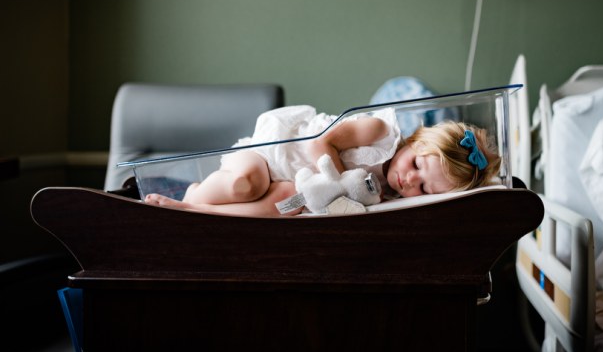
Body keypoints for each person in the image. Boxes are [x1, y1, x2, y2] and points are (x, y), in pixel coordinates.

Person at [144, 105, 501, 217]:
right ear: (417, 141)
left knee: (284, 205)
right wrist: (342, 184)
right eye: (417, 167)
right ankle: (194, 194)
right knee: (246, 182)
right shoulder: (379, 131)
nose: (409, 182)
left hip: (296, 185)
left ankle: (193, 212)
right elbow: (320, 144)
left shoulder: (387, 198)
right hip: (274, 154)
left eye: (423, 189)